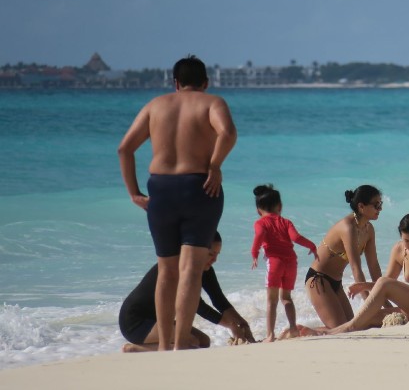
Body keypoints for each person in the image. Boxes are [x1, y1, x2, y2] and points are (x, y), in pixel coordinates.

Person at [117, 55, 237, 350]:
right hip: (200, 189)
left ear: (175, 83)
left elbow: (124, 149)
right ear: (205, 83)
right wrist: (215, 165)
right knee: (191, 271)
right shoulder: (211, 102)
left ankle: (163, 344)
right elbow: (228, 133)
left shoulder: (155, 105)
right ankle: (181, 342)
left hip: (161, 191)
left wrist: (134, 193)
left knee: (167, 270)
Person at [119, 232, 255, 352]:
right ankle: (136, 349)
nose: (215, 260)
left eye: (217, 255)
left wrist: (242, 323)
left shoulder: (206, 269)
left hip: (158, 319)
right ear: (199, 250)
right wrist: (231, 326)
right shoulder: (179, 266)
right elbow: (196, 305)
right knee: (190, 342)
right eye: (210, 254)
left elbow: (219, 300)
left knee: (204, 342)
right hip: (135, 322)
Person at [329, 212, 409, 334]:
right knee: (368, 320)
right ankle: (325, 332)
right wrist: (366, 286)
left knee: (382, 284)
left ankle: (349, 327)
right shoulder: (399, 250)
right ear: (401, 236)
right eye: (407, 240)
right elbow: (385, 286)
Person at [304, 185, 384, 328]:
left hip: (336, 282)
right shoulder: (348, 228)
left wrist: (383, 297)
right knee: (341, 328)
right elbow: (356, 268)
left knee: (350, 326)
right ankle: (295, 333)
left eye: (381, 204)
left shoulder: (369, 230)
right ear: (361, 206)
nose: (380, 209)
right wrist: (369, 303)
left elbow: (374, 266)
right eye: (376, 205)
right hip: (318, 279)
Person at [250, 184, 318, 342]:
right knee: (286, 298)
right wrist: (312, 246)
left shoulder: (261, 223)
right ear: (280, 206)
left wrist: (254, 254)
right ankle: (293, 328)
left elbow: (259, 236)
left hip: (274, 263)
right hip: (291, 262)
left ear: (258, 210)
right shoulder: (286, 222)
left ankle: (270, 335)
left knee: (271, 300)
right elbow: (296, 238)